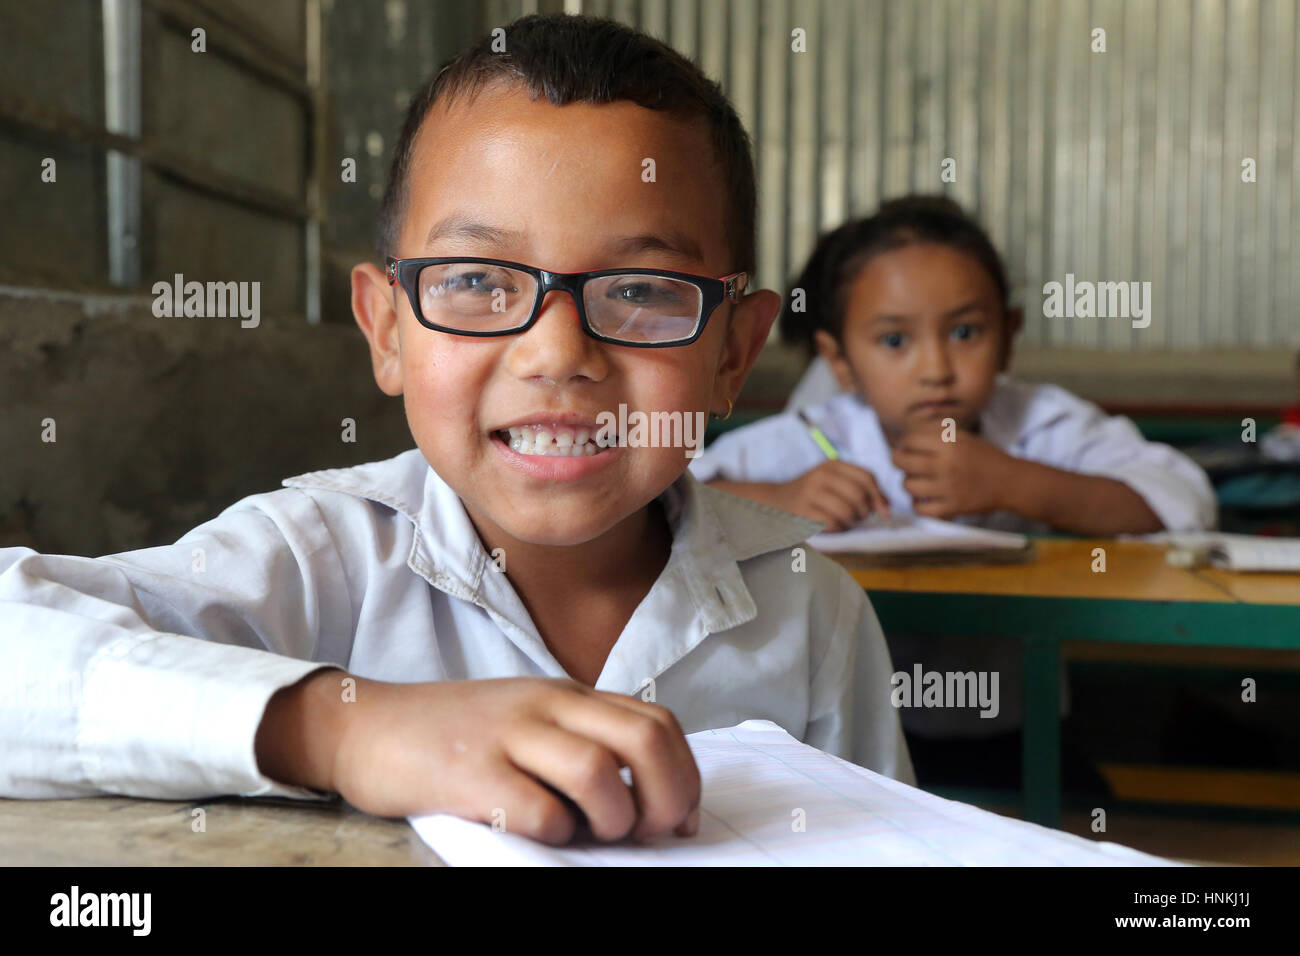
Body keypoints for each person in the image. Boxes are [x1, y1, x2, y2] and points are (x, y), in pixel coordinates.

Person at [0, 14, 912, 846]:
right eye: (477, 281)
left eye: (639, 292)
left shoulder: (812, 616)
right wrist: (345, 727)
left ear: (732, 356)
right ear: (387, 331)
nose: (557, 355)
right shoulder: (321, 566)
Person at [691, 196, 1216, 779]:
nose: (936, 368)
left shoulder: (1038, 424)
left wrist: (1018, 482)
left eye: (966, 332)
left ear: (1009, 335)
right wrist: (782, 500)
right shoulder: (818, 436)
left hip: (1020, 733)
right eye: (894, 341)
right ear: (839, 361)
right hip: (846, 744)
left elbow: (1181, 499)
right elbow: (684, 500)